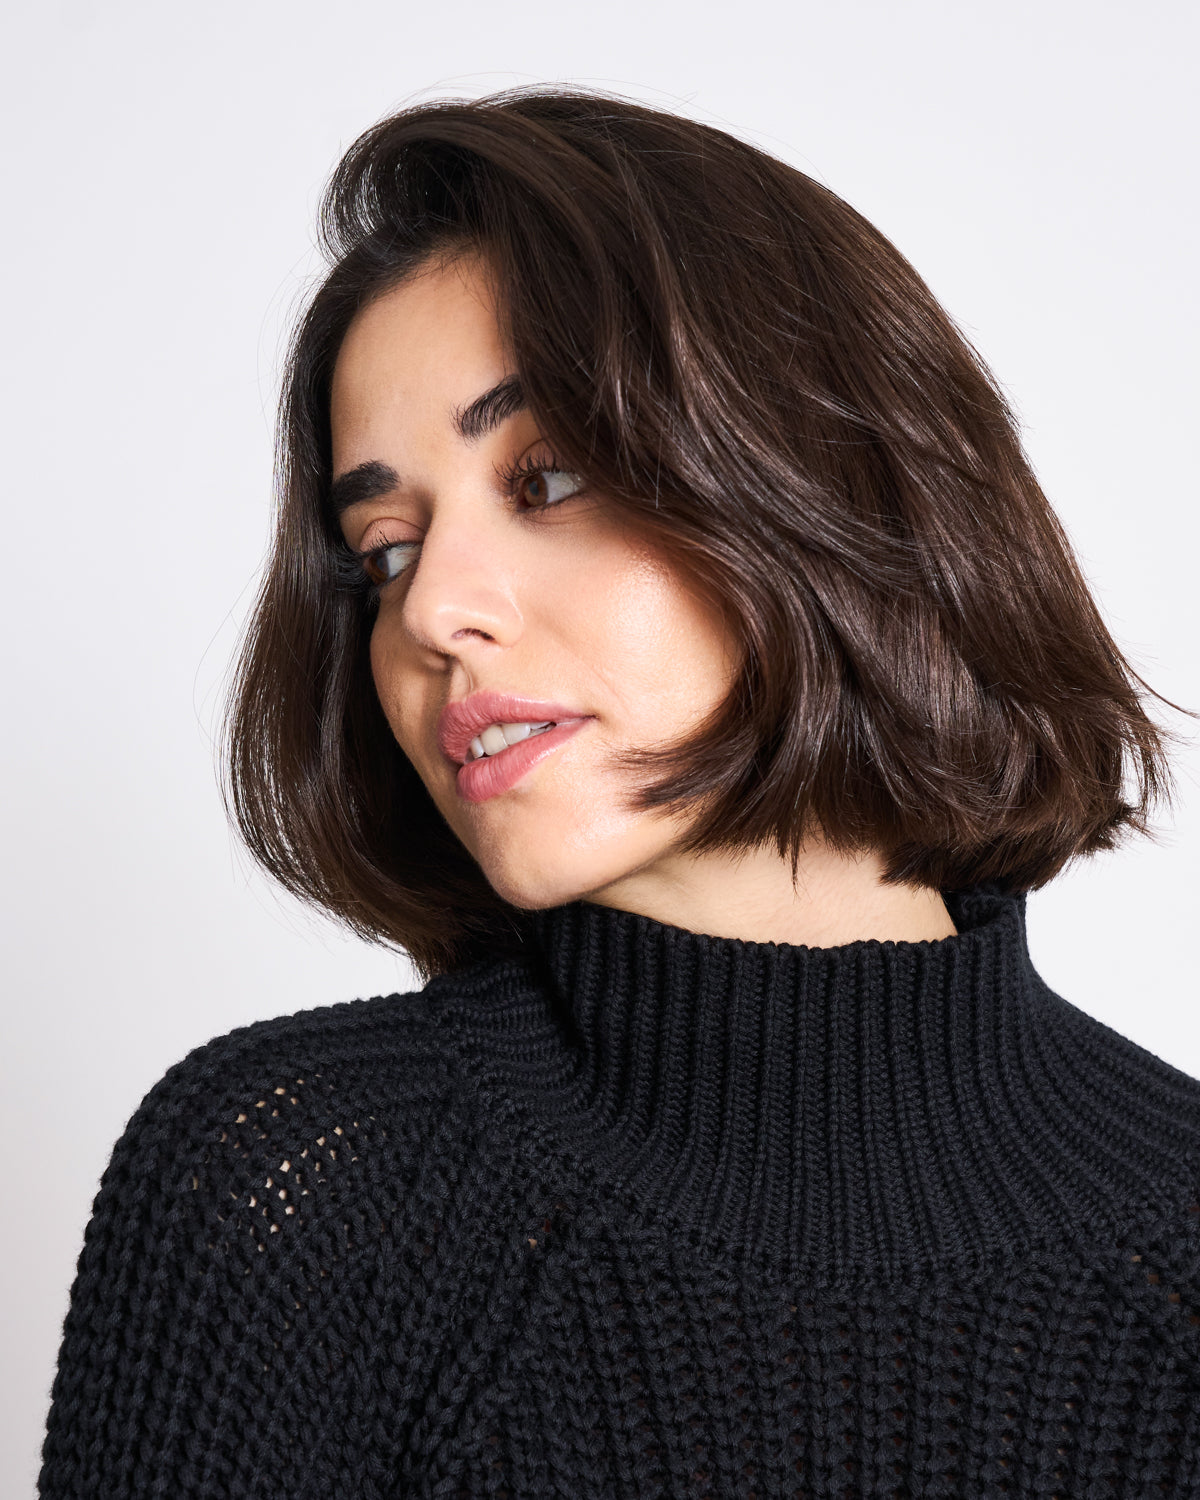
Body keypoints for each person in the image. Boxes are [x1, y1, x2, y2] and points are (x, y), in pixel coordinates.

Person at [39, 85, 1200, 1497]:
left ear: (832, 479)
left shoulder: (1177, 1251)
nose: (433, 613)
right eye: (386, 547)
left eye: (549, 476)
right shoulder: (304, 1190)